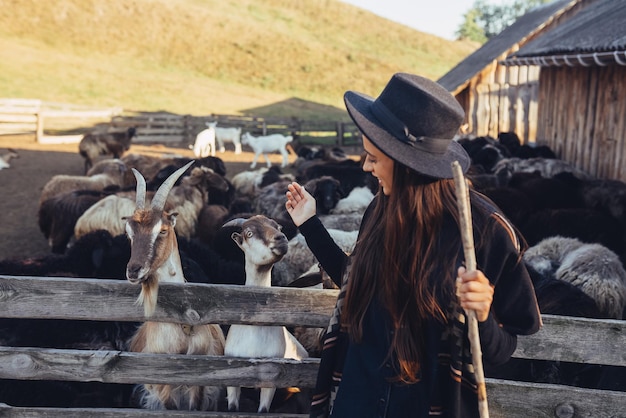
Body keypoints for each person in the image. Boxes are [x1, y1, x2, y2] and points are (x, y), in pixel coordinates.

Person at [284, 73, 542, 418]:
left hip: (424, 406)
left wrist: (481, 314)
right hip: (357, 398)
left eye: (373, 158)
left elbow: (503, 347)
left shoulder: (484, 233)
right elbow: (354, 280)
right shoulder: (380, 209)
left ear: (407, 164)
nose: (365, 166)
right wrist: (310, 225)